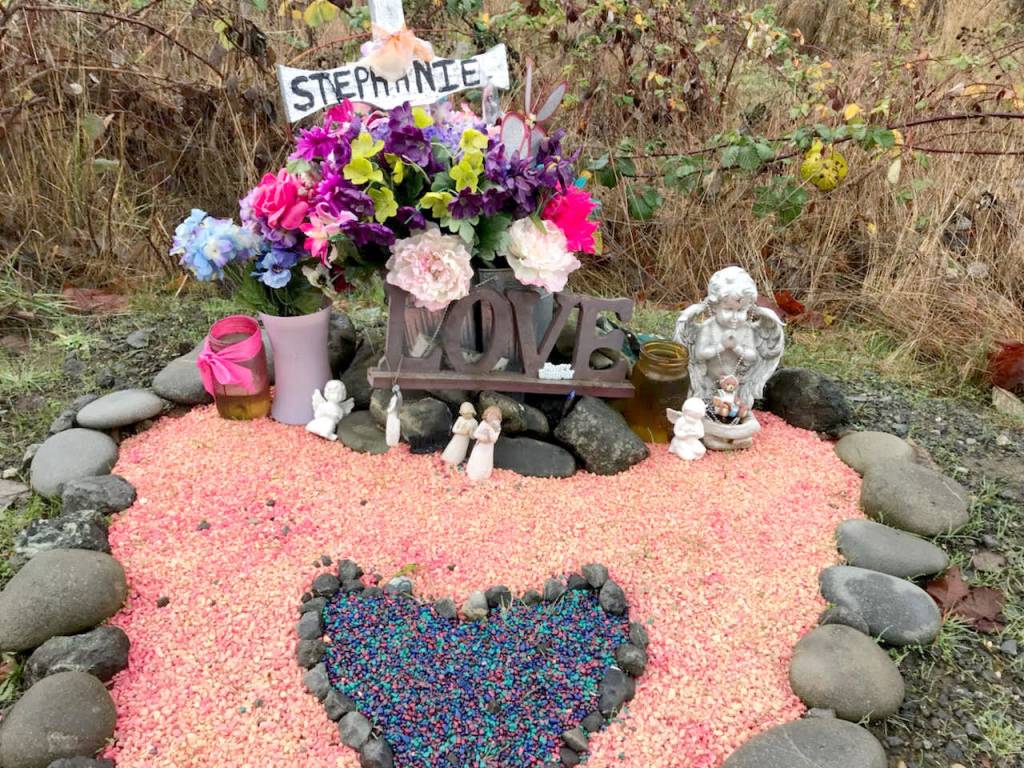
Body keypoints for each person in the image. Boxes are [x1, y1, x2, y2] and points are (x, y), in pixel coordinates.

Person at [466, 406, 502, 482]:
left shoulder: (497, 427)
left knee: (485, 460)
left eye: (494, 415)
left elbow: (494, 439)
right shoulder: (483, 423)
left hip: (488, 448)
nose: (491, 417)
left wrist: (490, 430)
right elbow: (476, 434)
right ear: (486, 415)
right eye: (490, 415)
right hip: (480, 445)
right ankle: (473, 474)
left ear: (498, 417)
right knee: (477, 458)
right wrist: (483, 438)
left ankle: (484, 475)